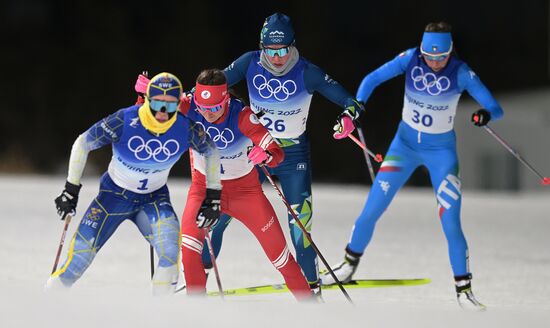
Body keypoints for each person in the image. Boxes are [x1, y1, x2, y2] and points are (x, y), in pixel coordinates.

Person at [321, 22, 504, 310]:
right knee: (372, 208)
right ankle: (347, 265)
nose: (433, 62)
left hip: (441, 154)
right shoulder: (410, 59)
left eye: (440, 57)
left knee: (450, 222)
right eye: (428, 56)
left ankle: (464, 291)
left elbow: (496, 108)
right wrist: (354, 110)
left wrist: (485, 114)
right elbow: (370, 80)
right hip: (403, 148)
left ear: (450, 52)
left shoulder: (462, 73)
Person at [202, 12, 364, 294]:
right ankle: (197, 281)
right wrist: (161, 101)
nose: (276, 57)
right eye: (270, 50)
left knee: (300, 227)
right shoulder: (249, 62)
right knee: (218, 217)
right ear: (261, 46)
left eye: (283, 50)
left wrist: (349, 116)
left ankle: (312, 289)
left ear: (293, 46)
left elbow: (351, 101)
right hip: (253, 153)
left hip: (293, 157)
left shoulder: (307, 71)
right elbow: (206, 92)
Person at [46, 72, 221, 295]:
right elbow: (83, 143)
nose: (162, 112)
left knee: (170, 256)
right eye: (157, 103)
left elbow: (211, 151)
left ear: (178, 104)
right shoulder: (125, 120)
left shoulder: (184, 127)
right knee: (77, 261)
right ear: (148, 99)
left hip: (154, 200)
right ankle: (45, 307)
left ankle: (157, 316)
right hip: (112, 197)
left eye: (170, 105)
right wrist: (71, 189)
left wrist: (214, 194)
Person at [178, 68, 312, 300]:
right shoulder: (189, 106)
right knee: (189, 251)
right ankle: (196, 313)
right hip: (204, 191)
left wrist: (266, 155)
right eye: (203, 107)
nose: (208, 114)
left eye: (215, 108)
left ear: (226, 99)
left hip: (245, 194)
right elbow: (153, 110)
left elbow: (277, 152)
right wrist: (144, 96)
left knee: (281, 258)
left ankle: (313, 309)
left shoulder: (243, 116)